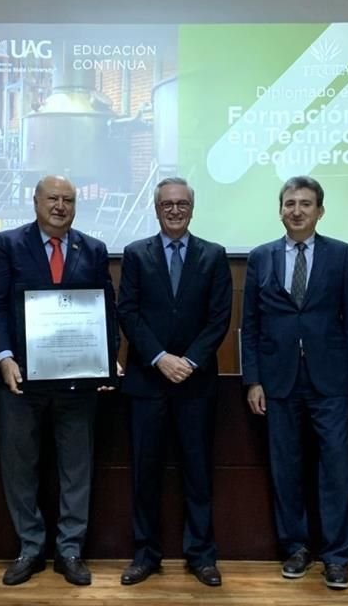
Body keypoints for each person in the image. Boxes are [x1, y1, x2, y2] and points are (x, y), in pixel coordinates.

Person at [0, 175, 119, 587]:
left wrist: (107, 361)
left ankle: (70, 549)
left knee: (77, 467)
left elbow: (105, 307)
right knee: (19, 466)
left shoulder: (92, 249)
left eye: (68, 200)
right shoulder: (9, 243)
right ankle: (29, 546)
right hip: (18, 379)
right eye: (52, 198)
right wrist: (4, 356)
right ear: (35, 201)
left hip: (77, 380)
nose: (60, 206)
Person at [241, 176, 348, 590]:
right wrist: (253, 380)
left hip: (330, 382)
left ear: (320, 211)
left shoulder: (342, 255)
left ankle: (336, 556)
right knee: (286, 468)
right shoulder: (261, 257)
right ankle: (295, 547)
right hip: (277, 382)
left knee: (336, 469)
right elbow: (251, 326)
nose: (296, 210)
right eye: (289, 203)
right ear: (280, 210)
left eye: (305, 204)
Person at [117, 177, 232, 587]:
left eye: (182, 203)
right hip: (147, 381)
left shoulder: (214, 255)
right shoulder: (135, 254)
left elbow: (220, 317)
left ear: (193, 207)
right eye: (167, 203)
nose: (175, 210)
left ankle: (201, 556)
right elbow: (127, 312)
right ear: (155, 207)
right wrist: (160, 358)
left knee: (198, 473)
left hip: (196, 383)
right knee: (145, 473)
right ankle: (145, 555)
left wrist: (190, 361)